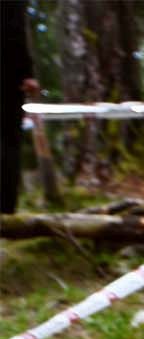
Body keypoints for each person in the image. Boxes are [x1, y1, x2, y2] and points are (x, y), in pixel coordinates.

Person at [1, 2, 38, 217]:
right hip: (8, 77)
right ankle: (5, 208)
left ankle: (5, 208)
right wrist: (27, 73)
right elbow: (15, 29)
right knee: (7, 141)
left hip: (9, 76)